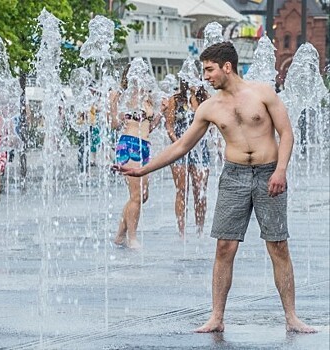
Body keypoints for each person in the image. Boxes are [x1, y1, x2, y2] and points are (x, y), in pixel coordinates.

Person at [116, 42, 316, 333]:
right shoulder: (210, 107)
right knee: (224, 246)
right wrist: (143, 169)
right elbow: (182, 145)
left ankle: (292, 317)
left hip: (268, 173)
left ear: (227, 66)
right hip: (233, 176)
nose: (205, 76)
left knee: (278, 246)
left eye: (209, 69)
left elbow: (286, 133)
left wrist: (281, 170)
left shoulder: (262, 93)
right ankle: (216, 317)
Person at [109, 63, 161, 249]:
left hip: (144, 146)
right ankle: (132, 238)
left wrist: (156, 117)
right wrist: (114, 106)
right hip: (128, 144)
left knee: (143, 195)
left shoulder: (148, 98)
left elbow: (152, 127)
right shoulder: (121, 96)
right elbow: (114, 125)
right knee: (137, 195)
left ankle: (119, 235)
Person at [165, 80, 211, 238]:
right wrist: (177, 142)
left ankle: (200, 230)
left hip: (200, 148)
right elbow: (169, 125)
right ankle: (182, 232)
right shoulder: (175, 100)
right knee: (182, 191)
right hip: (179, 147)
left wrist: (195, 95)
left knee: (200, 191)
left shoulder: (205, 99)